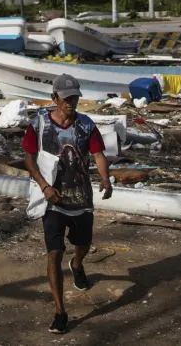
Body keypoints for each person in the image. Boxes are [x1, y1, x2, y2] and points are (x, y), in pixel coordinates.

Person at [23, 74, 112, 335]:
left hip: (81, 199)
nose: (71, 102)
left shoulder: (86, 125)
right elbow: (28, 158)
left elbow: (98, 154)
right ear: (54, 98)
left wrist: (106, 179)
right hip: (52, 200)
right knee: (54, 252)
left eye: (74, 97)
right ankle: (60, 312)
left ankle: (78, 264)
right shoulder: (38, 124)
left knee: (83, 244)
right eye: (66, 98)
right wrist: (44, 186)